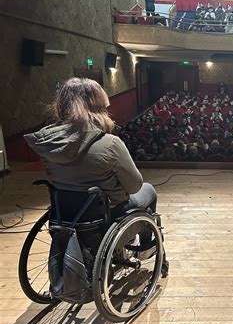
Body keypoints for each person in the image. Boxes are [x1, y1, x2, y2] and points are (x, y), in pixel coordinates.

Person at [24, 77, 158, 218]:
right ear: (98, 108)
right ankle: (145, 237)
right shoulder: (110, 143)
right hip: (106, 212)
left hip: (65, 212)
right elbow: (134, 186)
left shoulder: (48, 143)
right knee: (148, 190)